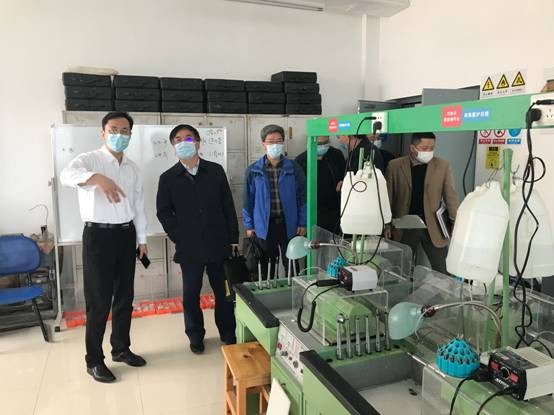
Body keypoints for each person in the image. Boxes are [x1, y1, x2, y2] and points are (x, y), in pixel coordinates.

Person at [60, 111, 147, 383]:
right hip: (98, 236)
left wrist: (142, 239)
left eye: (125, 131)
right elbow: (66, 175)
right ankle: (94, 361)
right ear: (103, 133)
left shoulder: (133, 168)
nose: (119, 135)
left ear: (131, 135)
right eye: (113, 130)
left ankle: (120, 349)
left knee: (124, 298)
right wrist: (97, 177)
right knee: (98, 301)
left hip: (126, 235)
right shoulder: (89, 159)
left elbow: (138, 206)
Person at [156, 124, 238, 354]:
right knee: (190, 295)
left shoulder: (215, 171)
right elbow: (163, 212)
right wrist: (179, 237)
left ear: (198, 143)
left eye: (189, 138)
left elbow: (228, 206)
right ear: (173, 146)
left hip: (218, 244)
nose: (183, 142)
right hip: (189, 249)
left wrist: (232, 238)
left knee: (224, 294)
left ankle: (228, 333)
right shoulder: (168, 178)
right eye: (178, 139)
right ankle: (195, 336)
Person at [385, 132, 459, 274]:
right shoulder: (395, 166)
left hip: (433, 226)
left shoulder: (442, 166)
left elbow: (451, 197)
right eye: (424, 148)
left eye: (432, 148)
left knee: (443, 269)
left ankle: (443, 289)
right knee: (402, 269)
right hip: (404, 225)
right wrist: (386, 224)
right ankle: (406, 288)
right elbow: (388, 197)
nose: (429, 152)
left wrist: (456, 224)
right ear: (412, 148)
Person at [243, 124, 307, 278]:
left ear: (283, 143)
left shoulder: (294, 168)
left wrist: (302, 222)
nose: (275, 145)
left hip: (288, 224)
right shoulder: (253, 170)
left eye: (279, 141)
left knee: (292, 264)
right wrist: (249, 225)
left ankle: (293, 291)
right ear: (263, 144)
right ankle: (269, 291)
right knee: (267, 267)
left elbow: (303, 197)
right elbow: (247, 200)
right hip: (264, 226)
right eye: (271, 141)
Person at [295, 136, 345, 233]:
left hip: (334, 210)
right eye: (319, 144)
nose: (323, 146)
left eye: (326, 142)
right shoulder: (301, 160)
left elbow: (344, 176)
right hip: (312, 212)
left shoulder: (336, 155)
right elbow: (298, 193)